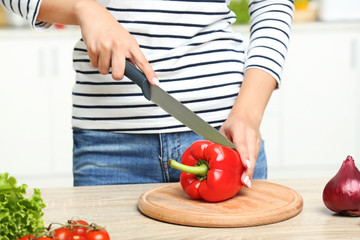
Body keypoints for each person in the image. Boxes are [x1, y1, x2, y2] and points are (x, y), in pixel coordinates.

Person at [1, 0, 294, 188]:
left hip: (223, 139)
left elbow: (273, 5)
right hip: (109, 149)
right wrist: (83, 7)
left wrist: (248, 114)